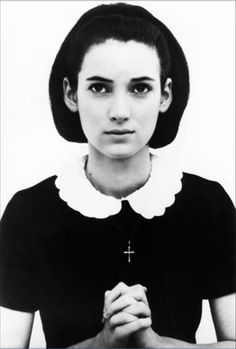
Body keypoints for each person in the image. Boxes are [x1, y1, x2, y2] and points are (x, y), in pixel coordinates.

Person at [0, 2, 235, 348]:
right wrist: (99, 345)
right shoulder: (28, 213)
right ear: (71, 93)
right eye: (99, 88)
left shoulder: (208, 206)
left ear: (165, 95)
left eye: (140, 88)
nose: (120, 112)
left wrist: (157, 345)